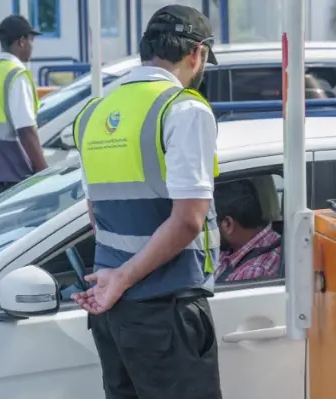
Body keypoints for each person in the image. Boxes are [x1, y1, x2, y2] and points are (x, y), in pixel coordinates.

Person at [70, 5, 223, 398]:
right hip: (166, 311)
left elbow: (97, 216)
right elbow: (188, 220)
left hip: (113, 313)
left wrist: (119, 277)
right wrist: (124, 277)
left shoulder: (94, 113)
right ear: (196, 54)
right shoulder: (184, 109)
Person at [0, 15, 47, 199]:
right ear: (21, 41)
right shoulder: (15, 75)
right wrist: (45, 173)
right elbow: (26, 131)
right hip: (16, 175)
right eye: (31, 40)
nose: (32, 46)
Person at [212, 179, 281, 282]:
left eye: (211, 224)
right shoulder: (236, 247)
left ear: (228, 224)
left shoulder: (254, 271)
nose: (207, 231)